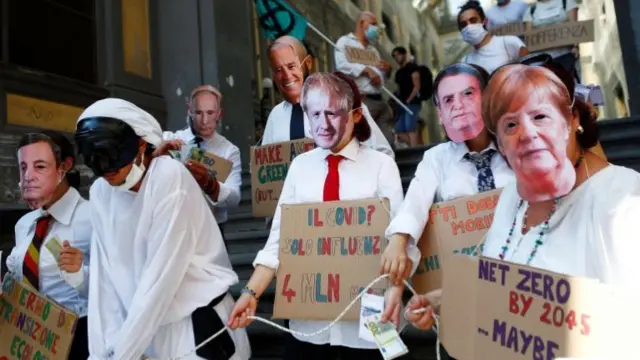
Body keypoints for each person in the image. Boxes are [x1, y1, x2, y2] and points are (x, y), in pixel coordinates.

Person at [228, 72, 418, 360]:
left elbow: (400, 243)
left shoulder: (381, 166)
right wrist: (251, 293)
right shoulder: (299, 167)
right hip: (310, 327)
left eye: (332, 113)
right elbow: (278, 241)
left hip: (370, 325)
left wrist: (396, 288)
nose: (322, 124)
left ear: (354, 116)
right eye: (314, 113)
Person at [75, 98, 250, 360]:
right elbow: (106, 278)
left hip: (192, 329)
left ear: (141, 145)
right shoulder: (102, 191)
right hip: (142, 331)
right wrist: (106, 349)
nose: (107, 172)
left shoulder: (168, 176)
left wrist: (123, 353)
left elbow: (161, 277)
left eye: (114, 159)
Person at [381, 63, 515, 360]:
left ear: (489, 98)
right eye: (448, 100)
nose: (459, 106)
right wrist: (399, 241)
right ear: (440, 114)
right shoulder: (436, 159)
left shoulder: (517, 143)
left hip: (522, 293)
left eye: (468, 93)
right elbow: (415, 205)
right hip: (464, 298)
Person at [480, 63, 640, 283]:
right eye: (510, 125)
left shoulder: (622, 200)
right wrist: (442, 301)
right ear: (500, 145)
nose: (527, 133)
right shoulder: (511, 197)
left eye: (540, 116)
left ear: (572, 119)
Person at [7, 131, 90, 358]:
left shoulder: (92, 218)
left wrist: (80, 273)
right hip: (28, 336)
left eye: (40, 166)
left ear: (65, 167)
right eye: (23, 167)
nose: (28, 176)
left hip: (78, 340)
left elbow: (116, 287)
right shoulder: (25, 224)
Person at [263, 35, 394, 158]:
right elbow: (266, 164)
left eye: (291, 66)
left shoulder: (343, 101)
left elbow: (383, 152)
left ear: (308, 63)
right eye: (278, 70)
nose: (286, 75)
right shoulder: (276, 116)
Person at [160, 85, 242, 240]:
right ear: (189, 110)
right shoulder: (171, 140)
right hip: (175, 227)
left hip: (211, 229)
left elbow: (235, 197)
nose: (204, 120)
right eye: (198, 113)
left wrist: (211, 185)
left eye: (210, 113)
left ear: (219, 114)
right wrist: (160, 154)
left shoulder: (229, 151)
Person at [335, 11, 395, 145]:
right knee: (366, 142)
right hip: (362, 100)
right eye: (373, 24)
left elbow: (380, 76)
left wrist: (386, 72)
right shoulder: (344, 42)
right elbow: (341, 65)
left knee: (387, 142)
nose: (376, 28)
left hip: (379, 99)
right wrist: (365, 70)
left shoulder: (373, 50)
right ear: (362, 23)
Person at [459, 0, 528, 74]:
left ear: (484, 21)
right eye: (464, 24)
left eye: (473, 20)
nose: (469, 27)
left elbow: (530, 70)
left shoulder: (510, 43)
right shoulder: (466, 62)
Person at [523, 0, 580, 79]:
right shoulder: (531, 10)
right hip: (545, 61)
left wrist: (576, 46)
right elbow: (529, 37)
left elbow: (574, 26)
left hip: (567, 55)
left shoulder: (566, 2)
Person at [392, 46, 422, 147]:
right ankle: (416, 147)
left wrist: (409, 100)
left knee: (410, 128)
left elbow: (417, 86)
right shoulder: (398, 73)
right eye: (394, 56)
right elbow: (398, 89)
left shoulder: (413, 68)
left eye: (397, 55)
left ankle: (415, 151)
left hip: (412, 103)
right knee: (399, 130)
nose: (396, 58)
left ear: (404, 54)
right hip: (401, 104)